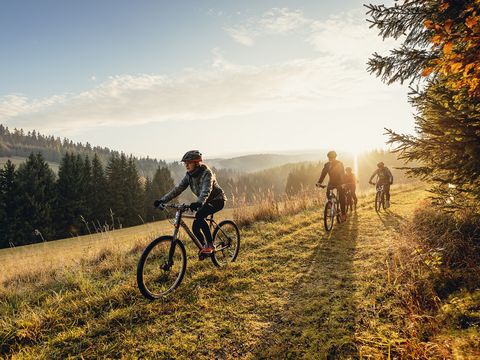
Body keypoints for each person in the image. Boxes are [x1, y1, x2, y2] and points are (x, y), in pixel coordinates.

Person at [154, 150, 227, 255]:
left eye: (189, 163)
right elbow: (178, 189)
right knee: (195, 227)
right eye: (185, 163)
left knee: (200, 215)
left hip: (218, 200)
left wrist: (199, 202)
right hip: (205, 202)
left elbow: (206, 190)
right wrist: (162, 200)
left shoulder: (207, 173)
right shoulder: (189, 175)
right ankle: (204, 248)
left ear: (196, 163)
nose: (186, 165)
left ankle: (210, 245)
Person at [316, 150, 347, 222]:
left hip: (340, 182)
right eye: (329, 157)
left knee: (341, 197)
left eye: (332, 157)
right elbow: (323, 174)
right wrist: (319, 182)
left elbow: (342, 174)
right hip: (331, 182)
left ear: (335, 157)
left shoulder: (339, 164)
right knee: (328, 193)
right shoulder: (327, 165)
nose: (330, 159)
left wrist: (343, 183)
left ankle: (343, 214)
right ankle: (331, 203)